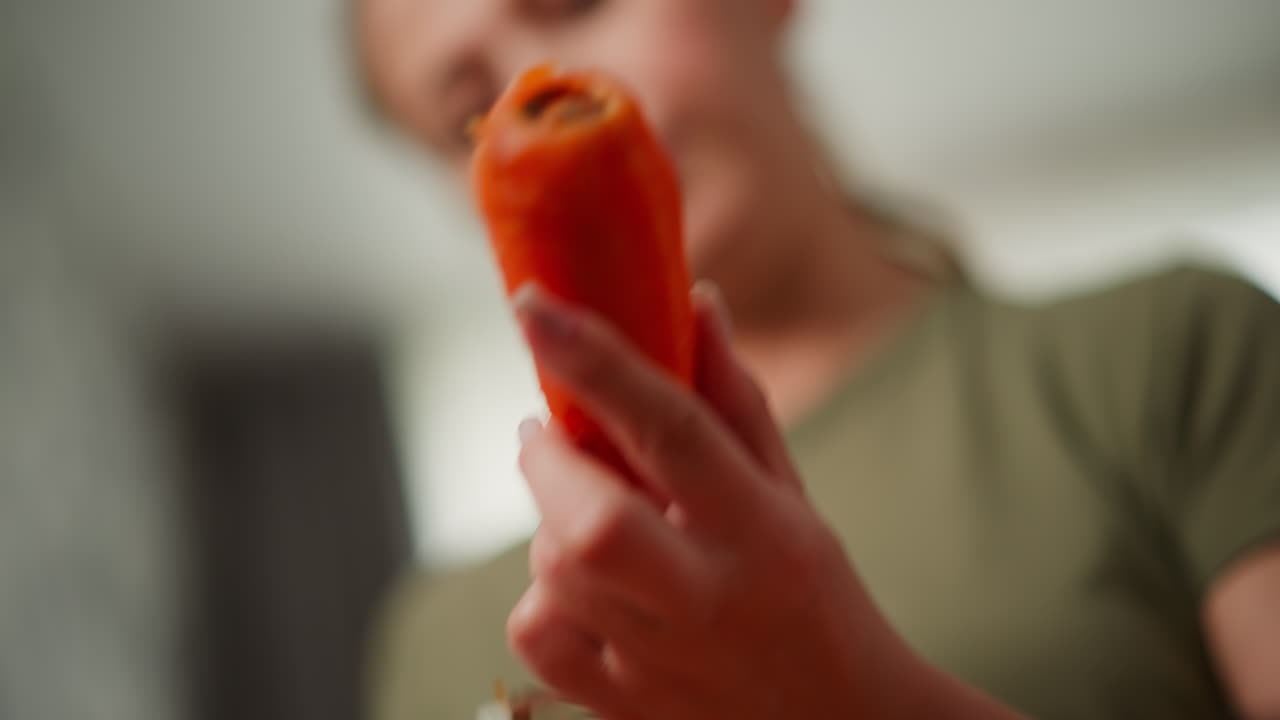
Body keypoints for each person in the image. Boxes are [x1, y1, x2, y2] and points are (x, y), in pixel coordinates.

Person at [355, 1, 1280, 718]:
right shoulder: (437, 641)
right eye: (466, 110)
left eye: (579, 2)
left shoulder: (1175, 352)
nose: (534, 93)